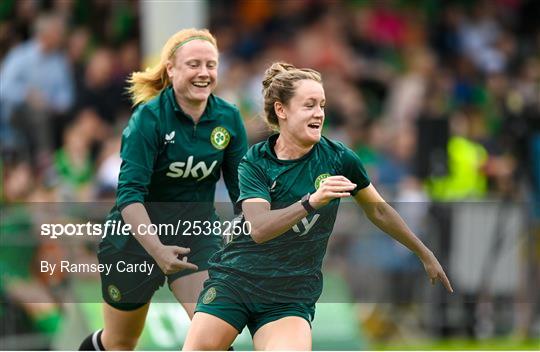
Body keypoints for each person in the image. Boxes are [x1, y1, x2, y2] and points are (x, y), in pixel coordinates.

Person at [183, 62, 453, 350]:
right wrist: (311, 202)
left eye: (322, 105)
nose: (319, 113)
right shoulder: (256, 161)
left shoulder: (339, 159)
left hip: (289, 295)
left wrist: (423, 252)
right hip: (236, 281)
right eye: (309, 105)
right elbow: (259, 228)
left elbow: (379, 209)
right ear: (281, 110)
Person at [78, 28, 248, 350]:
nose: (204, 73)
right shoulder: (149, 119)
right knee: (121, 341)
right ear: (171, 69)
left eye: (210, 65)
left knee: (214, 339)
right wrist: (157, 251)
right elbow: (128, 196)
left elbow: (243, 193)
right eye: (193, 64)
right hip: (134, 242)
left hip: (196, 236)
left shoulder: (229, 118)